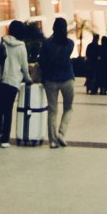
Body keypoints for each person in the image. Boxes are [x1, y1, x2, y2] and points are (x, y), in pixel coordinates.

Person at [0, 21, 31, 148]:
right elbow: (24, 67)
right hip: (12, 82)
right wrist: (28, 78)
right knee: (8, 110)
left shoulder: (0, 41)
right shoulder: (21, 47)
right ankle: (5, 139)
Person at [39, 17, 76, 148]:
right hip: (67, 79)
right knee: (68, 108)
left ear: (54, 28)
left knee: (52, 110)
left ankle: (53, 141)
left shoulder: (47, 44)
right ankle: (61, 133)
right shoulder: (70, 44)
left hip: (50, 80)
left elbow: (42, 60)